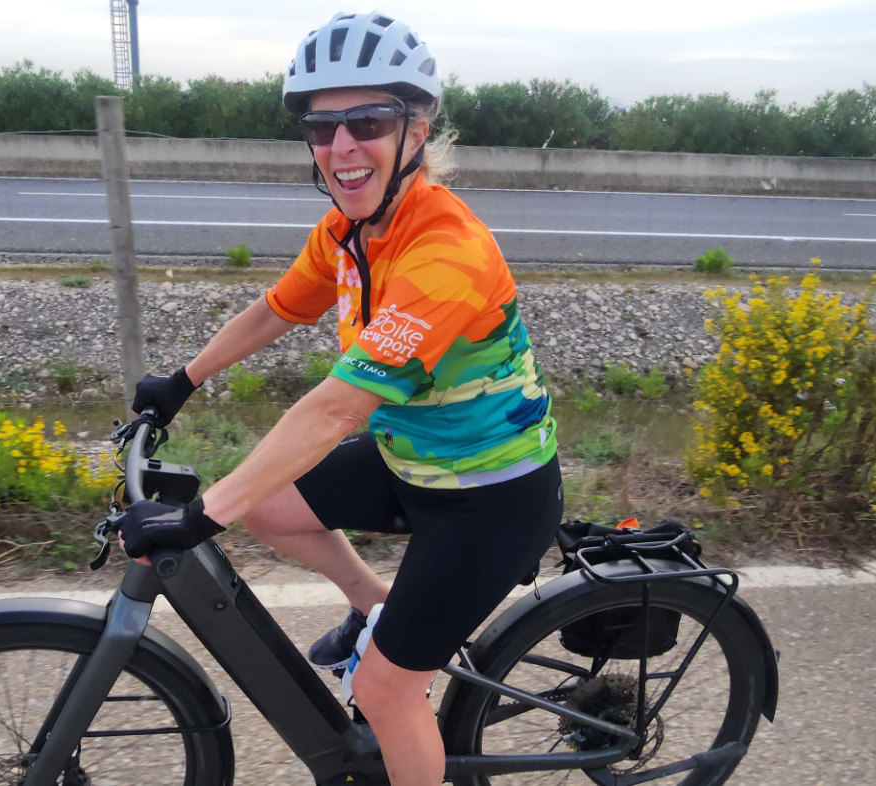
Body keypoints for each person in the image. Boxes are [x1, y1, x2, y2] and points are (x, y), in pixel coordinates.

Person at [116, 10, 563, 785]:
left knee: (386, 691)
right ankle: (377, 602)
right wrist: (179, 382)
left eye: (367, 122)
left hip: (491, 496)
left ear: (415, 134)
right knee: (269, 501)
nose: (342, 148)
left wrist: (200, 514)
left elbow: (335, 409)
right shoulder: (350, 230)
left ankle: (396, 674)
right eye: (323, 129)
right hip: (414, 458)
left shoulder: (446, 253)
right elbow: (275, 310)